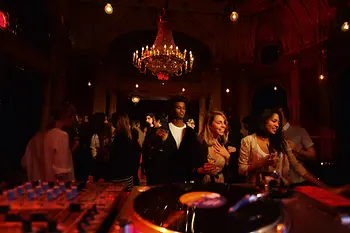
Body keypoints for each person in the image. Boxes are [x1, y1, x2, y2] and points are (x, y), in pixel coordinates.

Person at [238, 108, 336, 191]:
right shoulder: (248, 141)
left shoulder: (282, 142)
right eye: (274, 121)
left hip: (280, 191)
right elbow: (241, 170)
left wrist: (325, 187)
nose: (277, 125)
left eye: (279, 123)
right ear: (264, 121)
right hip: (256, 192)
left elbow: (298, 167)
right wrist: (261, 163)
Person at [144, 95, 198, 184]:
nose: (182, 110)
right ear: (172, 110)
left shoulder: (190, 132)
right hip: (166, 179)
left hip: (184, 179)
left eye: (183, 108)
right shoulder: (164, 130)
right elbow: (151, 154)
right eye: (178, 108)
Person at [192, 110, 231, 183]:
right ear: (209, 125)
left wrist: (228, 157)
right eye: (219, 123)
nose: (224, 126)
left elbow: (229, 173)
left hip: (221, 185)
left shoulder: (223, 143)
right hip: (203, 185)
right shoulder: (199, 143)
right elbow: (189, 171)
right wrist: (202, 170)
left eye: (224, 123)